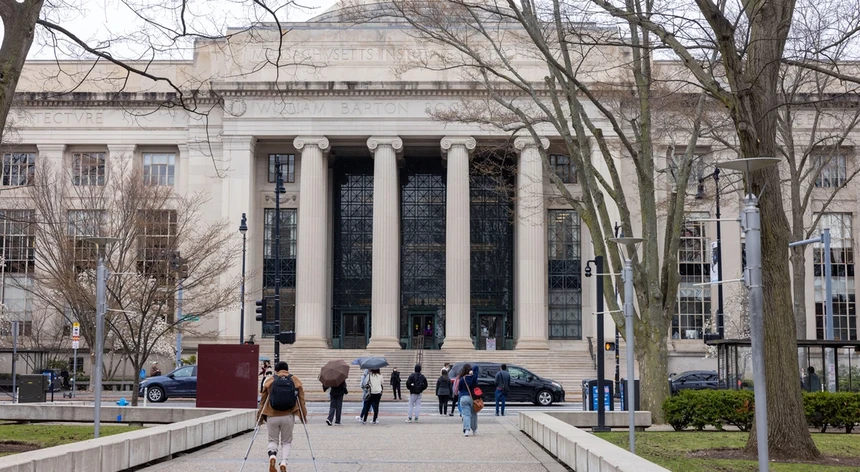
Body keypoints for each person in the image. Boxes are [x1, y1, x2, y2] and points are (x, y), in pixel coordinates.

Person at [257, 361, 308, 472]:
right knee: (286, 441)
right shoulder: (295, 380)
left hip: (272, 415)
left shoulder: (270, 380)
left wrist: (259, 418)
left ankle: (272, 456)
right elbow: (301, 400)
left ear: (276, 370)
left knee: (272, 440)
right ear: (287, 370)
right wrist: (303, 415)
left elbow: (263, 401)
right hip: (288, 416)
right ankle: (284, 462)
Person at [457, 363, 479, 436]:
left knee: (466, 414)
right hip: (472, 397)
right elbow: (476, 367)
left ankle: (466, 430)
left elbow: (459, 389)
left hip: (463, 397)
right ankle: (474, 429)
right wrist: (472, 372)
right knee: (474, 414)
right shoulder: (473, 377)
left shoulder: (462, 379)